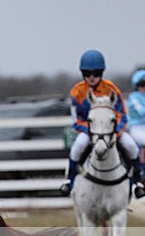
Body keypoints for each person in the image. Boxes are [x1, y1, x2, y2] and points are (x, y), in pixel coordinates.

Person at [60, 49, 145, 199]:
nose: (92, 77)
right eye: (87, 73)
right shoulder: (76, 92)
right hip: (89, 131)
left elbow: (122, 114)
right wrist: (90, 130)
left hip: (111, 130)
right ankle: (70, 181)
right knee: (78, 146)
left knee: (131, 146)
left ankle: (137, 183)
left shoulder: (111, 89)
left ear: (102, 72)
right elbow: (76, 119)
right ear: (82, 73)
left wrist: (115, 130)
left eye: (96, 72)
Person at [127, 68, 145, 180]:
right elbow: (141, 111)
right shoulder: (133, 97)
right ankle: (142, 172)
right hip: (136, 127)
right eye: (142, 84)